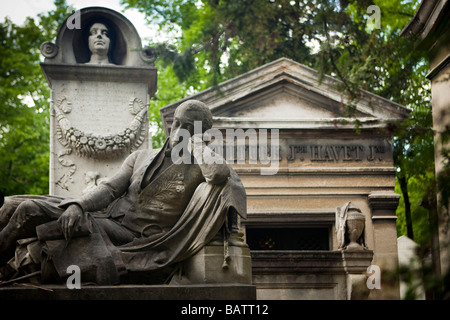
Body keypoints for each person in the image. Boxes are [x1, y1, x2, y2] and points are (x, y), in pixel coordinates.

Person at [0, 100, 246, 284]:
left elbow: (219, 174)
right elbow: (109, 190)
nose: (178, 129)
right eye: (176, 123)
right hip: (106, 218)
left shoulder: (199, 167)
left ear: (199, 132)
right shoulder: (141, 156)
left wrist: (197, 144)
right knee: (13, 207)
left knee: (30, 210)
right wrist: (79, 205)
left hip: (137, 237)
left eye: (187, 126)